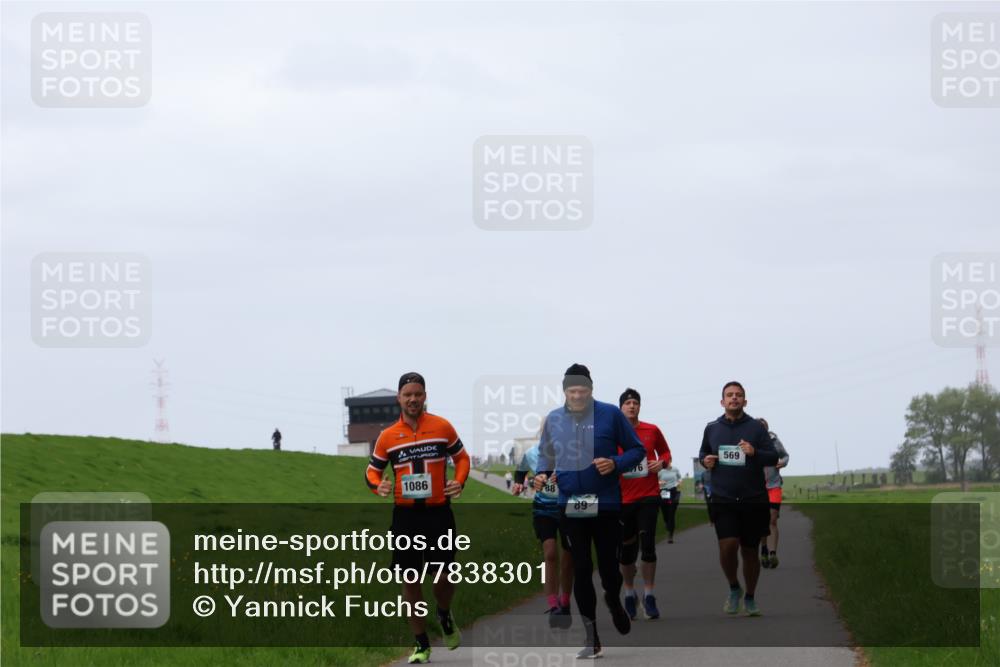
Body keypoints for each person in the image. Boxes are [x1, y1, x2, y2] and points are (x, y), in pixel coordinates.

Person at [534, 364, 645, 659]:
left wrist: (615, 463)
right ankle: (591, 636)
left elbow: (637, 450)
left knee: (609, 570)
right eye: (572, 391)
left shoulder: (610, 414)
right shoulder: (554, 420)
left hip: (606, 504)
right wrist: (541, 474)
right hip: (569, 506)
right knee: (581, 569)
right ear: (565, 392)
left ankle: (614, 599)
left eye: (583, 390)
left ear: (591, 389)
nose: (578, 395)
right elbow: (545, 455)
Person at [365, 372, 470, 664]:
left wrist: (459, 481)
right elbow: (372, 471)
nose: (413, 399)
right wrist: (378, 486)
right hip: (406, 516)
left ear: (425, 396)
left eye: (418, 394)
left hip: (438, 513)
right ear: (399, 398)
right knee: (410, 580)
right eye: (407, 394)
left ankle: (444, 614)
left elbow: (462, 458)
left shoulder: (442, 427)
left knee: (444, 575)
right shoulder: (387, 436)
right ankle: (421, 644)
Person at [698, 381, 778, 618]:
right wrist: (706, 461)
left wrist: (754, 452)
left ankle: (750, 596)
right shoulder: (712, 428)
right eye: (729, 395)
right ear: (722, 401)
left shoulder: (756, 428)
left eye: (738, 395)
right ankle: (734, 586)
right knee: (728, 545)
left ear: (745, 401)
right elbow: (703, 453)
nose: (734, 398)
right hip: (723, 498)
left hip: (753, 498)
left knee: (750, 550)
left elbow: (773, 457)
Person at [617, 388, 670, 621]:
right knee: (626, 553)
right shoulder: (612, 433)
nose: (631, 406)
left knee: (648, 545)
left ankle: (649, 595)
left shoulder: (651, 430)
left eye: (635, 403)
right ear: (620, 408)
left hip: (649, 495)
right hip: (621, 499)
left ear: (640, 407)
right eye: (627, 403)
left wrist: (662, 463)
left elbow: (666, 453)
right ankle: (629, 594)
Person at [512, 441, 574, 628]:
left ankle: (565, 601)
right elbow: (521, 470)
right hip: (543, 509)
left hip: (568, 508)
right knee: (550, 554)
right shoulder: (531, 453)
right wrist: (518, 483)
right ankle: (553, 605)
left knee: (568, 557)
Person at [757, 418, 789, 569]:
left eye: (763, 427)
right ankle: (763, 549)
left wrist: (783, 462)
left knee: (773, 519)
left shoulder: (774, 440)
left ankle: (772, 553)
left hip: (774, 485)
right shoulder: (749, 443)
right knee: (762, 521)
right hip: (757, 488)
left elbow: (785, 455)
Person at [658, 464, 681, 543]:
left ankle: (670, 535)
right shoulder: (660, 471)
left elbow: (679, 478)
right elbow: (655, 481)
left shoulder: (675, 469)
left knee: (671, 513)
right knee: (665, 512)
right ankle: (667, 523)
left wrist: (678, 483)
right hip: (664, 491)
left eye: (669, 460)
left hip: (673, 491)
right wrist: (660, 482)